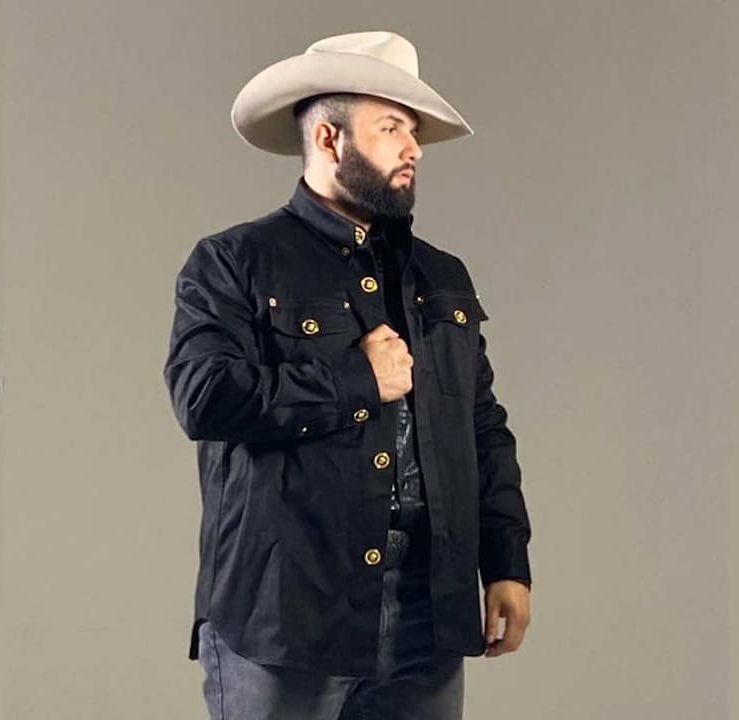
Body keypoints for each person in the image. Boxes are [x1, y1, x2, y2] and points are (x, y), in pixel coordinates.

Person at [164, 30, 532, 720]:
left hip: (429, 610)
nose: (413, 148)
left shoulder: (441, 277)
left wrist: (507, 560)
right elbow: (203, 397)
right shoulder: (234, 261)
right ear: (329, 139)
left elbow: (482, 425)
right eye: (392, 127)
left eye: (414, 131)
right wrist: (356, 379)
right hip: (286, 612)